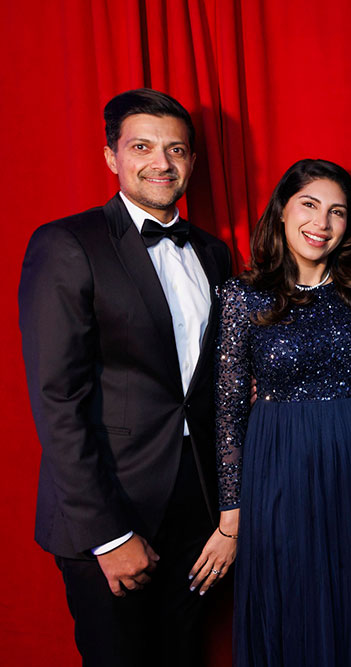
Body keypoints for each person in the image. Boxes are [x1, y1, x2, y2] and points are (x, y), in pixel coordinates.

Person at [18, 88, 232, 666]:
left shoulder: (215, 254)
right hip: (111, 506)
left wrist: (229, 516)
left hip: (199, 510)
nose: (161, 162)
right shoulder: (68, 244)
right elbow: (57, 400)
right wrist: (109, 537)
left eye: (176, 149)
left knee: (186, 655)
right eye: (142, 146)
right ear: (112, 155)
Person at [213, 159, 351, 666]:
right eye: (309, 204)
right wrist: (231, 516)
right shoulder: (242, 295)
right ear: (281, 210)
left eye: (337, 212)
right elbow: (229, 410)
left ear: (350, 225)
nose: (321, 222)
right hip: (280, 463)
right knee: (291, 596)